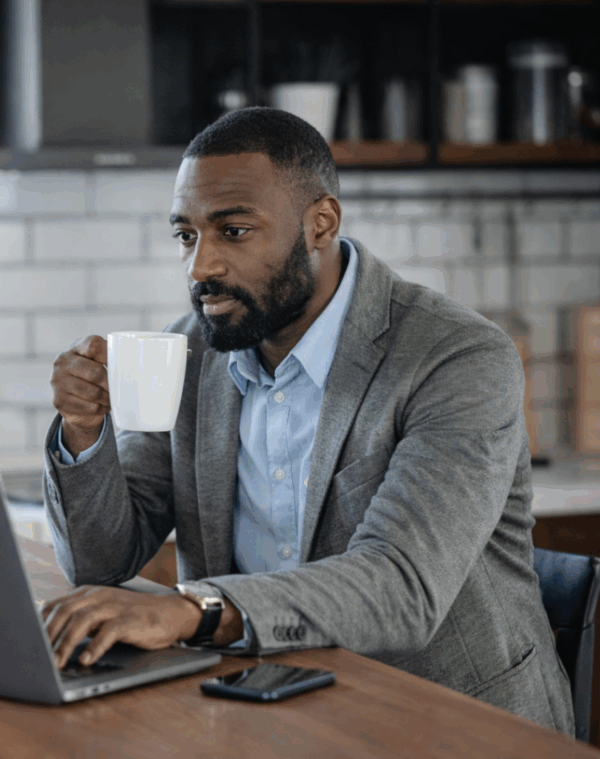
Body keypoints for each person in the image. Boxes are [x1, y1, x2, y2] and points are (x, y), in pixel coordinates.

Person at [41, 107, 574, 735]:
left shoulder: (456, 356)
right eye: (187, 235)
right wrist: (83, 430)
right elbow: (101, 560)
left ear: (319, 224)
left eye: (233, 231)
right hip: (264, 708)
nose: (199, 267)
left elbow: (402, 583)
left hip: (448, 723)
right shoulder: (190, 352)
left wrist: (195, 610)